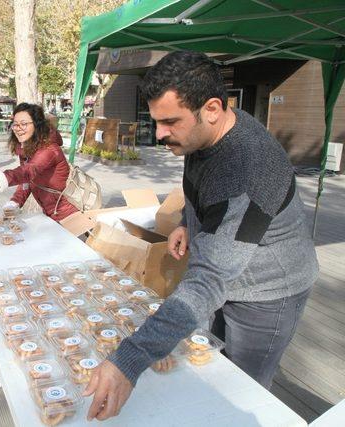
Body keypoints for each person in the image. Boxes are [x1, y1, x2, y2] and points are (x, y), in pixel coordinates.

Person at [81, 50, 318, 422]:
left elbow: (208, 281)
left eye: (170, 122)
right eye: (156, 121)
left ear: (211, 108)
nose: (159, 134)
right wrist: (185, 223)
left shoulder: (249, 170)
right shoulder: (203, 136)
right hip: (228, 271)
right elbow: (203, 193)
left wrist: (129, 360)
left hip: (270, 292)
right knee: (212, 361)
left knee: (242, 390)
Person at [0, 103, 78, 222]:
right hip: (51, 213)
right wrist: (14, 203)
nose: (18, 128)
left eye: (23, 124)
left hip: (69, 214)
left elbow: (27, 172)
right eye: (15, 124)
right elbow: (27, 181)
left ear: (37, 125)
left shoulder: (49, 149)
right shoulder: (28, 149)